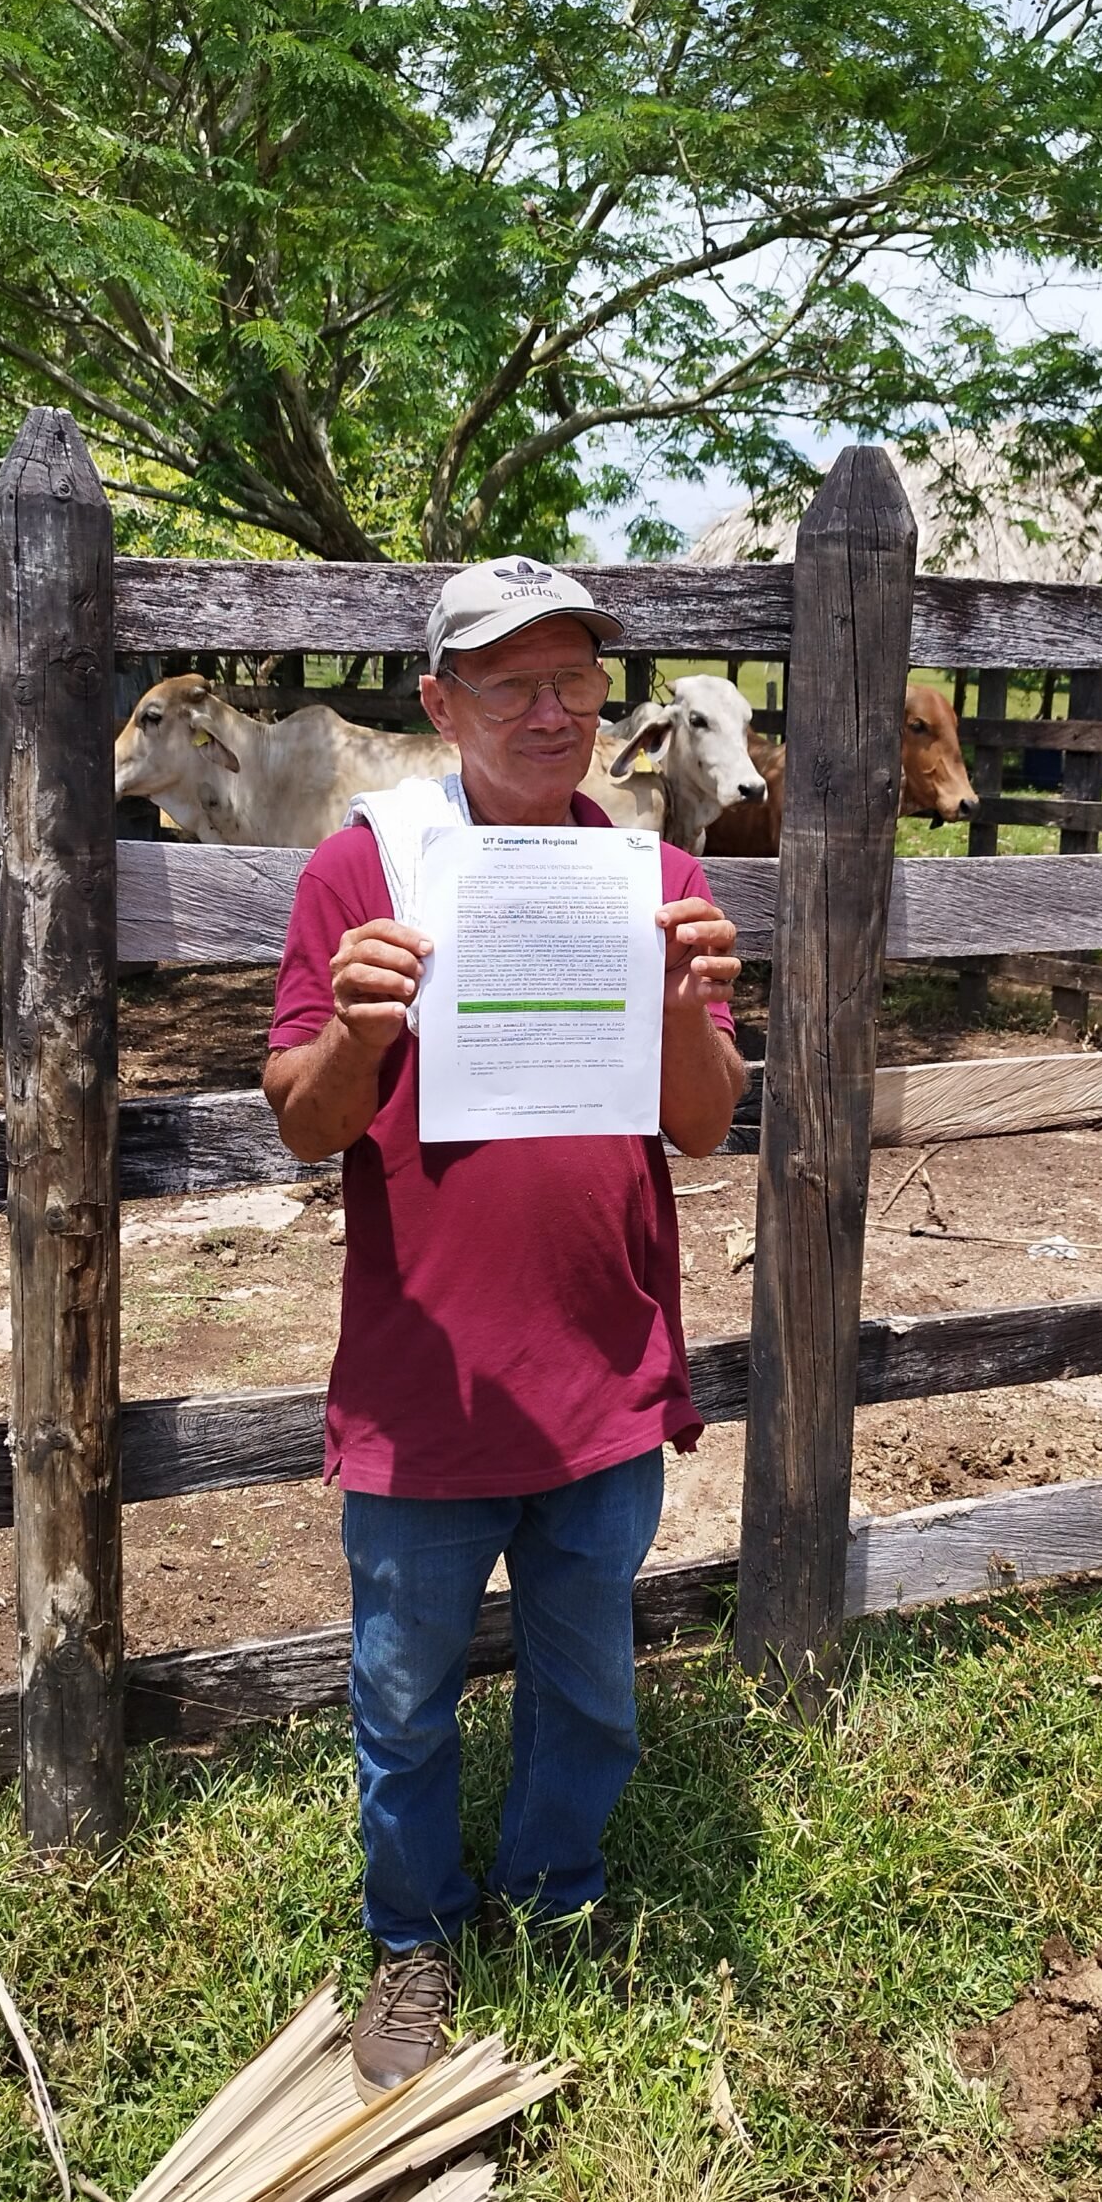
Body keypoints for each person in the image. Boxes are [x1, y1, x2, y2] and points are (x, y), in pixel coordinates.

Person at [264, 557, 746, 2097]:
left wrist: (683, 1003)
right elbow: (295, 1125)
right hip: (428, 1379)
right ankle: (412, 1935)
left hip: (603, 1365)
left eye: (574, 683)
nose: (550, 713)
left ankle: (556, 1902)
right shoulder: (364, 873)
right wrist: (356, 1027)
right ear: (439, 703)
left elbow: (705, 1127)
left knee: (586, 1673)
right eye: (509, 684)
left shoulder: (654, 880)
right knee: (401, 1690)